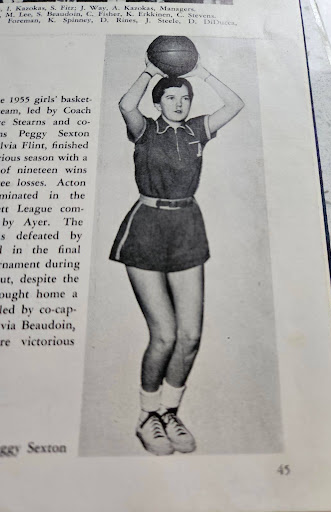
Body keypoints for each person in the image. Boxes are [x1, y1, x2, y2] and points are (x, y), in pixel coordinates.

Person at [110, 51, 243, 456]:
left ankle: (169, 412)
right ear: (158, 102)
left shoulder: (198, 131)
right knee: (164, 335)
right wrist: (150, 71)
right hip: (147, 228)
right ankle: (146, 415)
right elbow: (124, 105)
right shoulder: (144, 130)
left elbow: (235, 104)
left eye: (184, 97)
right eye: (170, 98)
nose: (179, 103)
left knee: (190, 336)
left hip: (187, 226)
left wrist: (199, 72)